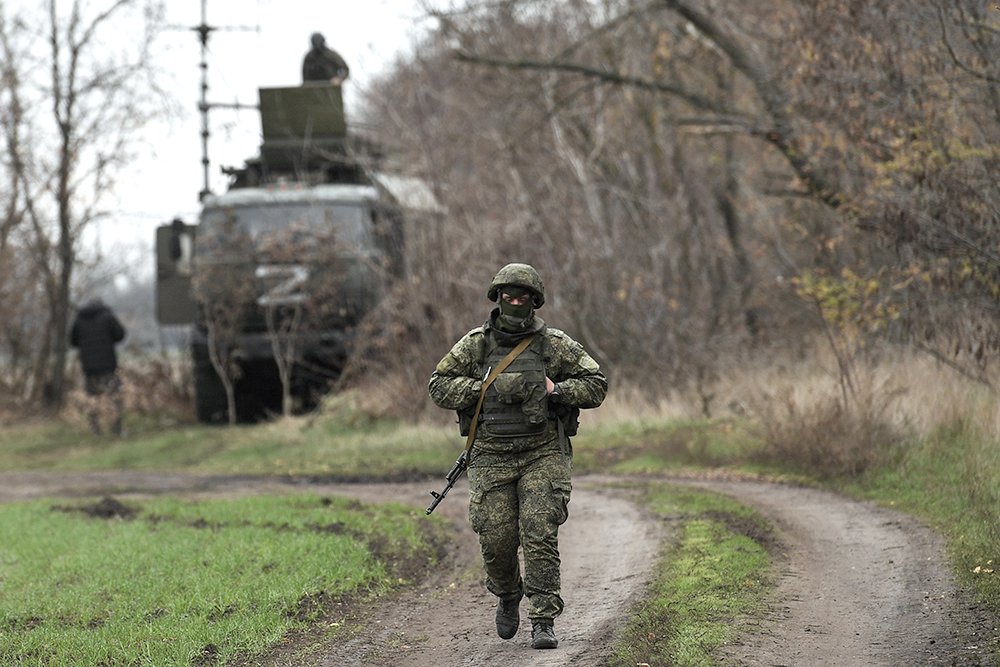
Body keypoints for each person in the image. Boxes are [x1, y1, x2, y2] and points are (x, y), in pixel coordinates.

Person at [428, 263, 608, 650]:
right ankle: (509, 594)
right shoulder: (476, 345)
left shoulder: (553, 344)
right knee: (496, 539)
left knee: (539, 532)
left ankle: (543, 619)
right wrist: (482, 389)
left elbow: (596, 385)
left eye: (522, 297)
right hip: (490, 454)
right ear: (497, 298)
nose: (514, 303)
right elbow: (439, 385)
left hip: (542, 452)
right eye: (508, 296)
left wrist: (555, 390)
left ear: (534, 301)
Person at [69, 298, 127, 436]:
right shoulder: (108, 316)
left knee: (92, 399)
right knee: (114, 396)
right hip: (108, 365)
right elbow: (120, 335)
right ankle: (117, 429)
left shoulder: (79, 319)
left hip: (88, 367)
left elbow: (72, 341)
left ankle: (95, 430)